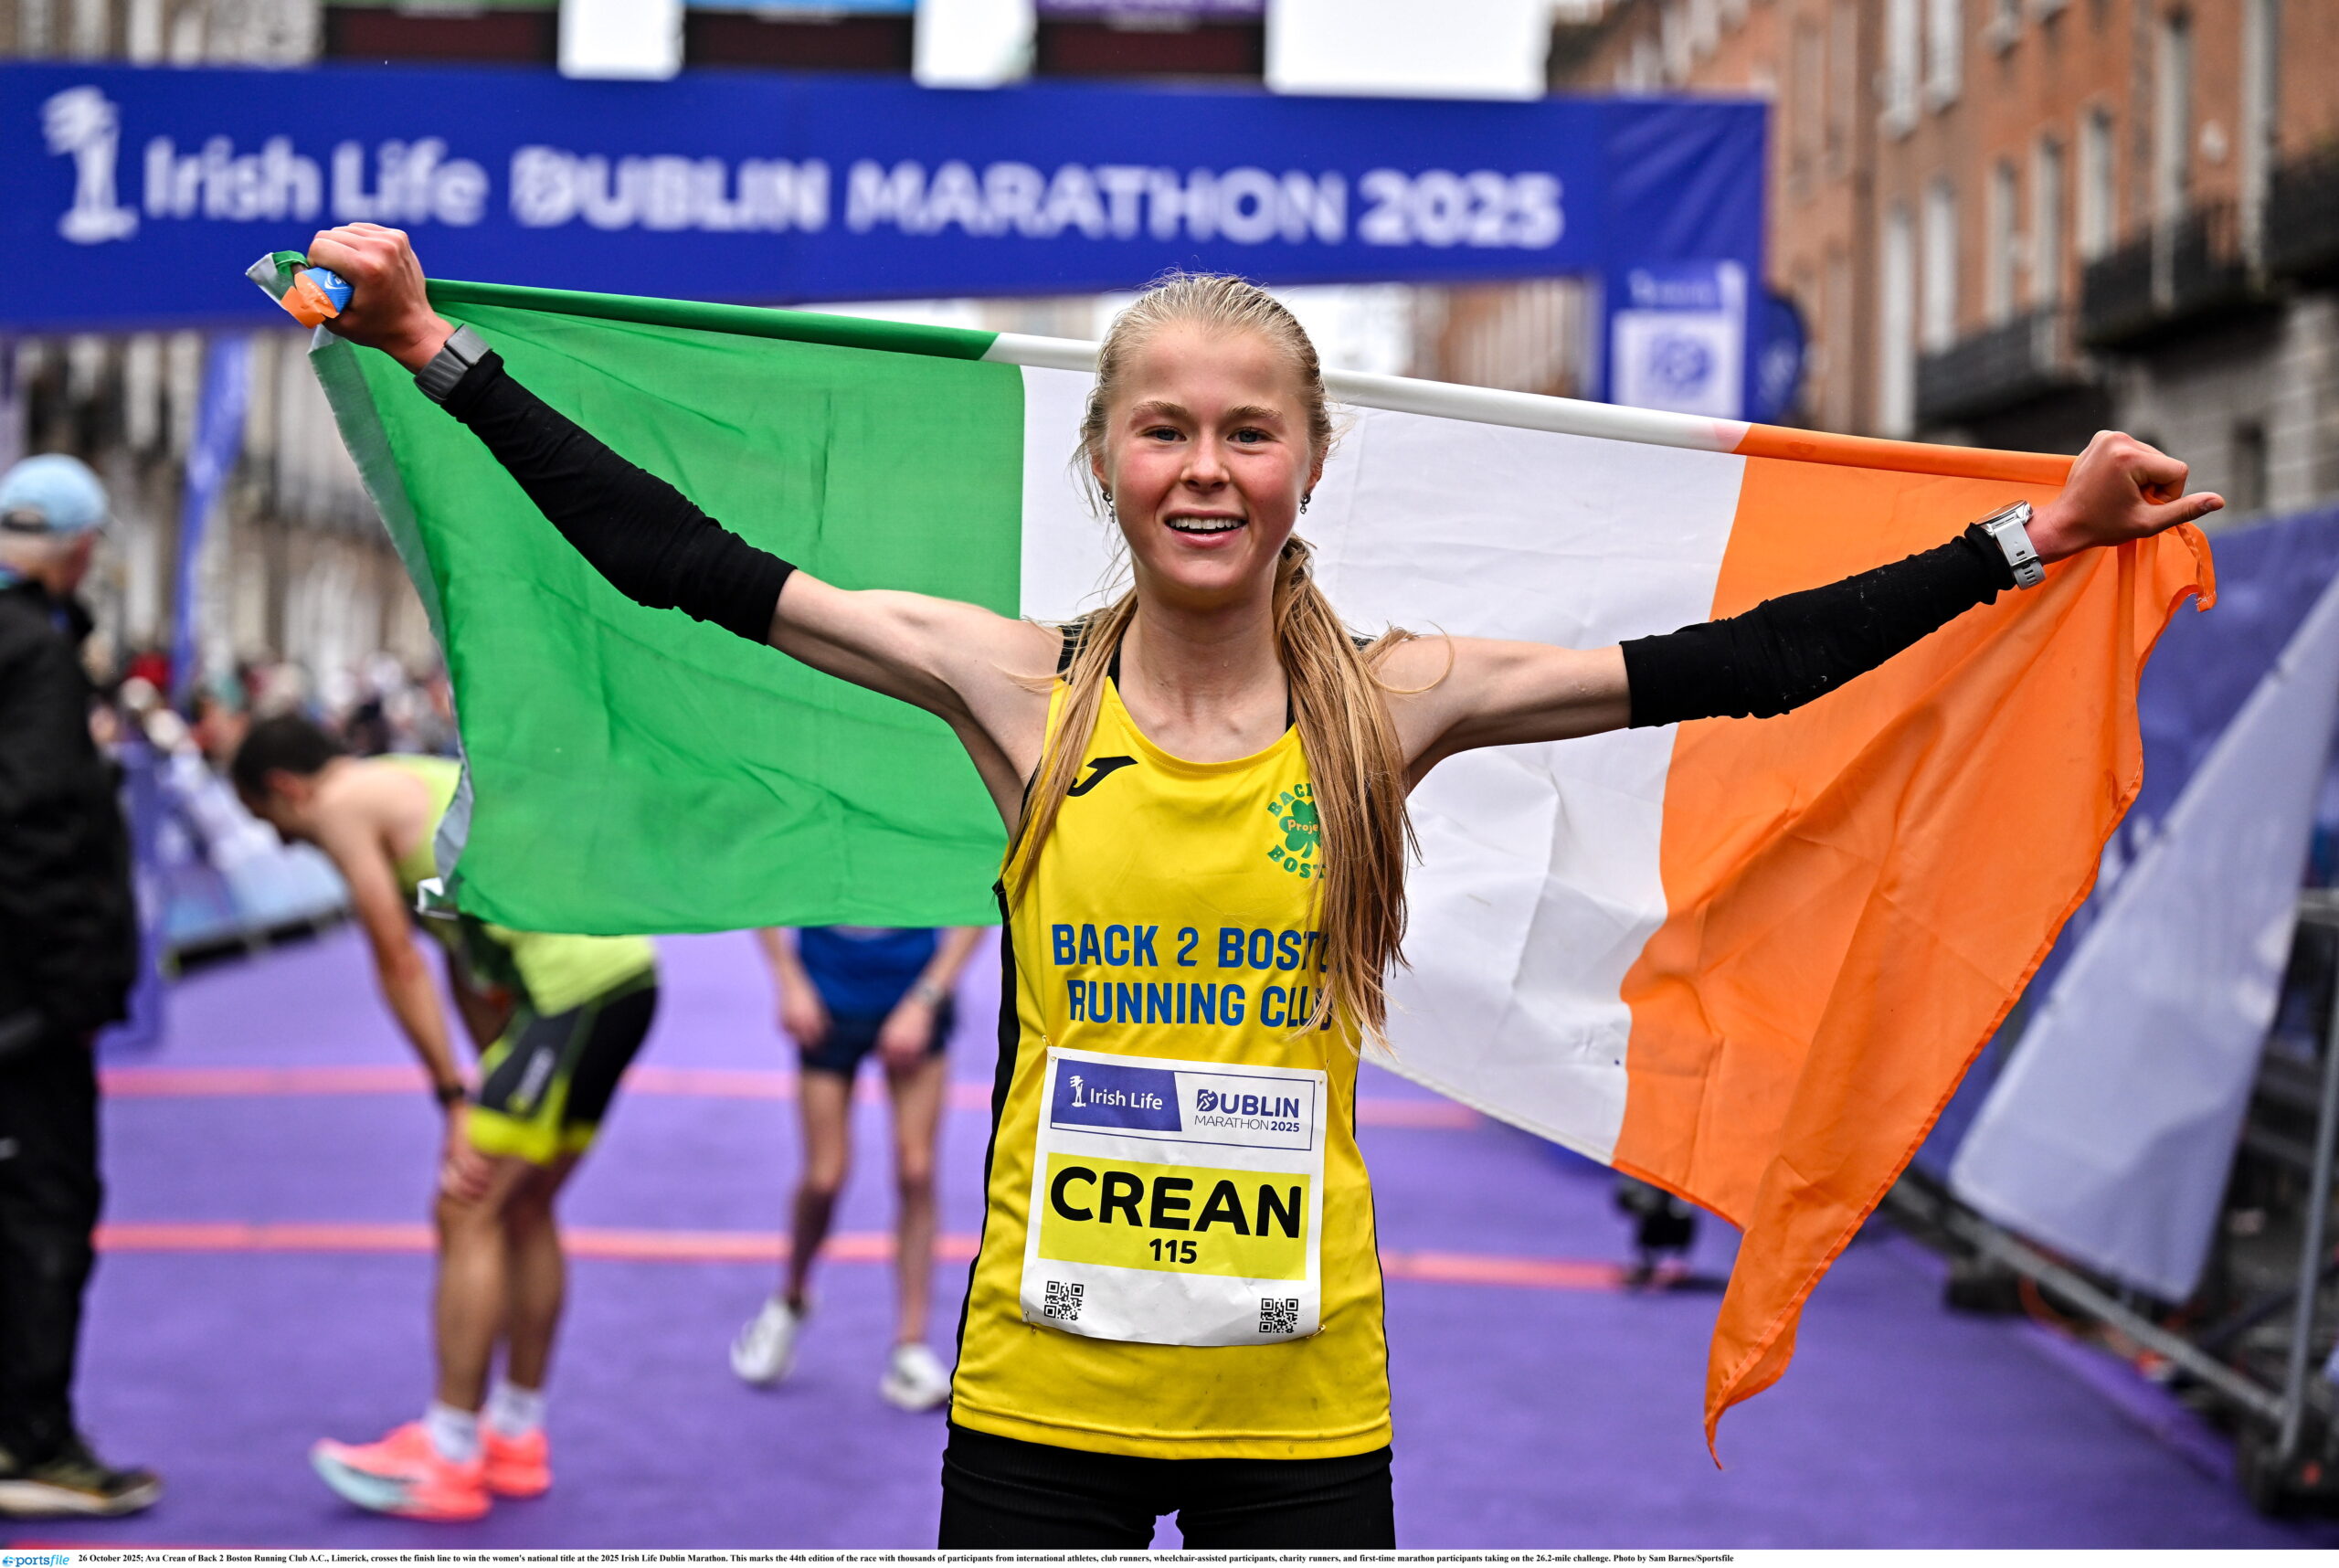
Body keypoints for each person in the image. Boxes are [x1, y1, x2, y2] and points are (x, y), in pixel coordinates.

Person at [306, 221, 2222, 1548]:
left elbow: (1735, 668)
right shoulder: (1013, 685)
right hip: (1037, 1397)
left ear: (1310, 461)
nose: (1203, 467)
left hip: (1298, 1410)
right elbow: (688, 563)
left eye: (1246, 430)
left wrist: (2026, 538)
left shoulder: (1401, 703)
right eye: (1164, 429)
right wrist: (431, 356)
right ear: (1104, 459)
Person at [231, 715, 659, 1523]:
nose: (288, 846)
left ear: (287, 789)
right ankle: (516, 1437)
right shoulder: (404, 782)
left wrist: (454, 1098)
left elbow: (395, 957)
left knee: (467, 1205)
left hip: (573, 993)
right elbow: (467, 964)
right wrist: (485, 1079)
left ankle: (450, 1454)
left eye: (273, 825)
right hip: (619, 980)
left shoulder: (343, 806)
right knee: (522, 1205)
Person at [0, 454, 161, 1520]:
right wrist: (70, 989)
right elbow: (41, 827)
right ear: (79, 548)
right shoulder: (37, 660)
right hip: (24, 1009)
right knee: (45, 1208)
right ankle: (32, 1442)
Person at [732, 925, 982, 1410]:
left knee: (916, 1170)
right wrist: (789, 978)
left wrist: (926, 999)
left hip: (914, 991)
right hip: (826, 997)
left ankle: (910, 1347)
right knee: (825, 1176)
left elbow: (979, 899)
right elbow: (762, 878)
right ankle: (790, 1300)